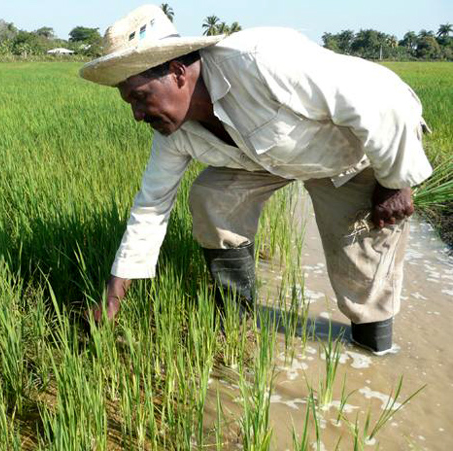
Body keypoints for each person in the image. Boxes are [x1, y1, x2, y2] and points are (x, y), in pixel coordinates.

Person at [79, 5, 432, 354]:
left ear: (177, 72)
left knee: (363, 271)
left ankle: (372, 354)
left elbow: (385, 102)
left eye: (140, 97)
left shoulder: (261, 61)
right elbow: (151, 207)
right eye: (130, 103)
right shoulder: (173, 131)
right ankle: (236, 316)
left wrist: (394, 182)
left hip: (349, 152)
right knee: (211, 195)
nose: (137, 115)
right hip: (268, 158)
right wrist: (113, 299)